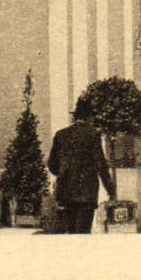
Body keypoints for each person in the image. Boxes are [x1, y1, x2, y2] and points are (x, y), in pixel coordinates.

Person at [47, 98, 116, 234]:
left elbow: (51, 164)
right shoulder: (92, 135)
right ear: (89, 116)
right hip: (87, 193)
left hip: (65, 192)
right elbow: (100, 165)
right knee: (83, 233)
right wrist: (110, 189)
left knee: (71, 232)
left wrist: (63, 174)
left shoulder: (60, 135)